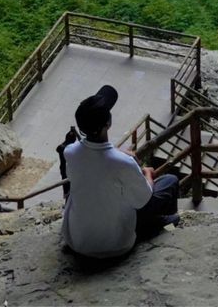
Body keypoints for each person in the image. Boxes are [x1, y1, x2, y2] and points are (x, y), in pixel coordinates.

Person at [62, 85, 179, 259]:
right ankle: (161, 223)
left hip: (78, 241)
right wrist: (146, 172)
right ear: (108, 123)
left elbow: (97, 158)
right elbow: (143, 199)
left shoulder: (70, 152)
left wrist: (122, 156)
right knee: (170, 181)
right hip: (115, 245)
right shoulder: (123, 162)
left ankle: (157, 222)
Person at [55, 126, 79, 202]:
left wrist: (71, 133)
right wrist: (76, 133)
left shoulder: (60, 147)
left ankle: (67, 202)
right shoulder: (72, 150)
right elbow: (82, 142)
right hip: (70, 170)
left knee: (66, 189)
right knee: (71, 189)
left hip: (63, 169)